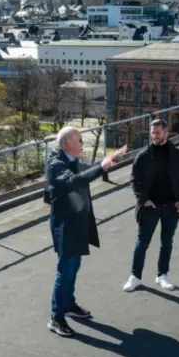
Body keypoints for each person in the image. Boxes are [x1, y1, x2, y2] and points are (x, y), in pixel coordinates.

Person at [46, 126, 128, 337]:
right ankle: (56, 317)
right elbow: (75, 180)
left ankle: (69, 304)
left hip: (77, 222)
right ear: (68, 144)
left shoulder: (71, 160)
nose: (83, 143)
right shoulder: (56, 164)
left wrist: (109, 161)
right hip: (65, 225)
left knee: (74, 267)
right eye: (80, 140)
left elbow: (85, 171)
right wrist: (101, 167)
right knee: (65, 270)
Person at [123, 119, 179, 293]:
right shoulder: (144, 155)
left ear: (166, 133)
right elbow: (134, 179)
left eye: (158, 133)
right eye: (152, 133)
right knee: (142, 243)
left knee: (166, 242)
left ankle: (162, 275)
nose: (154, 136)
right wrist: (142, 199)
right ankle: (135, 277)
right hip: (150, 207)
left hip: (171, 207)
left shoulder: (178, 155)